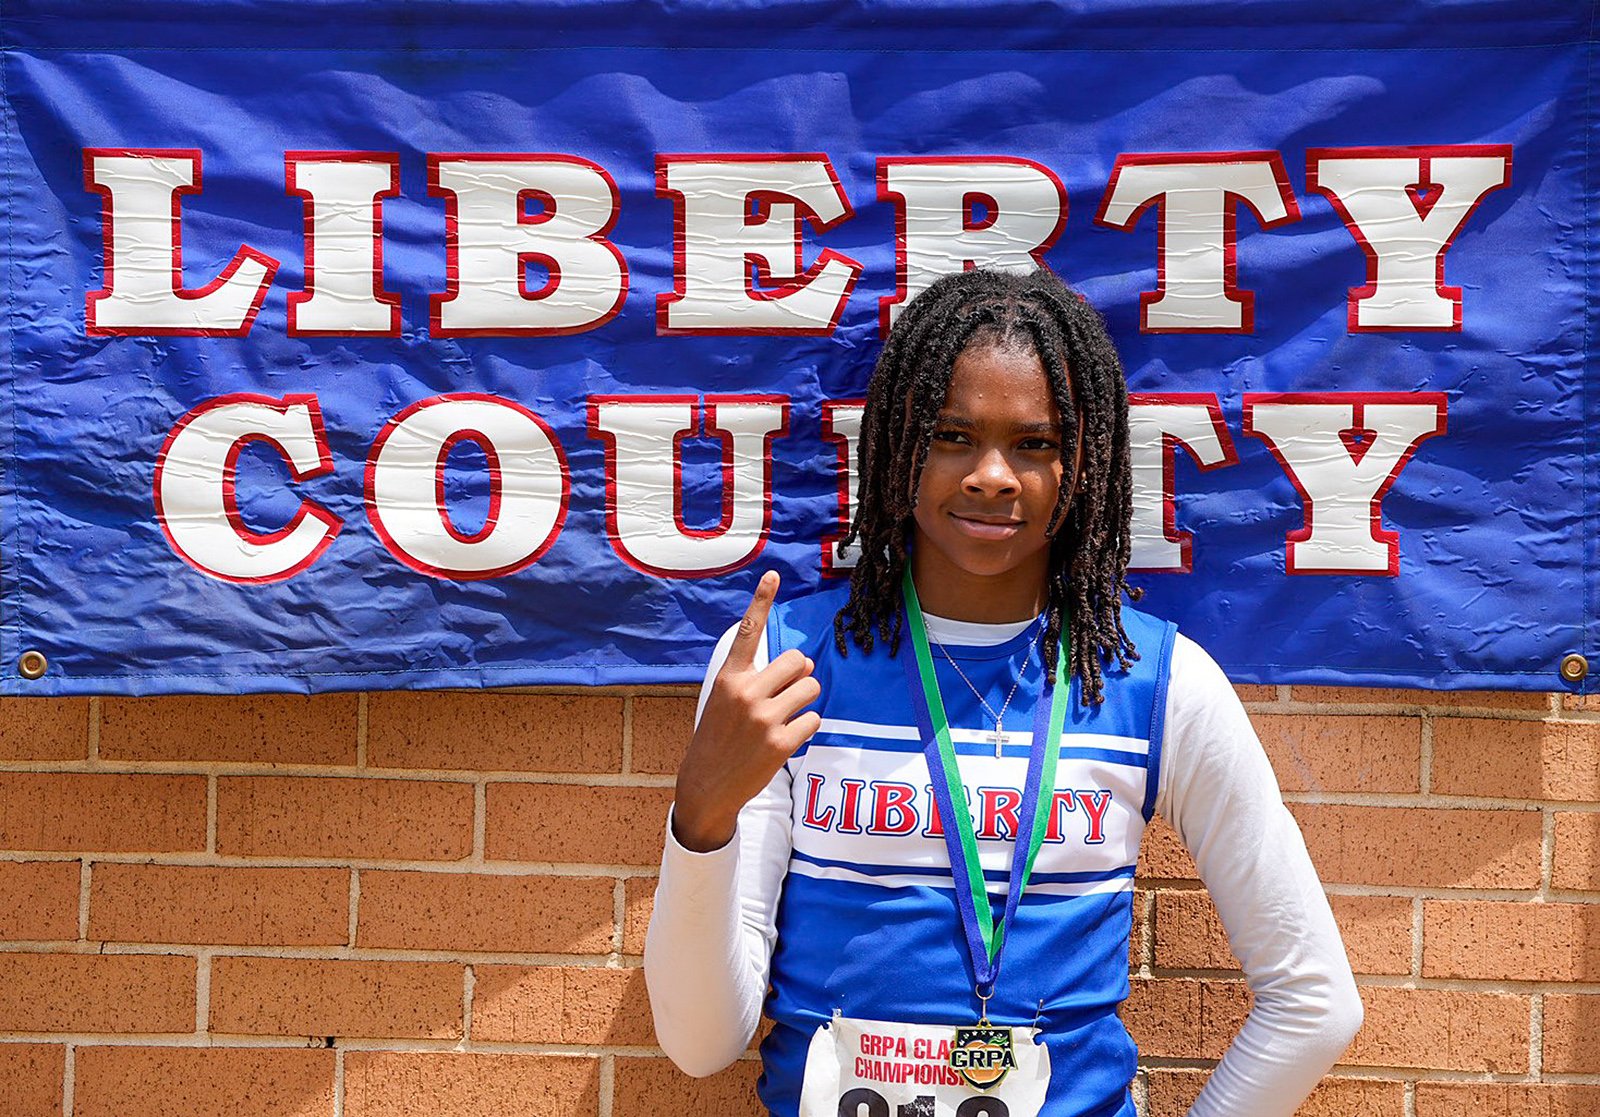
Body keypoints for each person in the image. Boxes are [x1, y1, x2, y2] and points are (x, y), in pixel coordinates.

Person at [644, 267, 1362, 1117]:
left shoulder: (1156, 681)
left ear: (1084, 466)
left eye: (1035, 444)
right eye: (952, 436)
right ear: (897, 446)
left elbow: (1316, 1002)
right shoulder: (781, 666)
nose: (992, 475)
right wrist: (703, 815)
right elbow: (700, 1042)